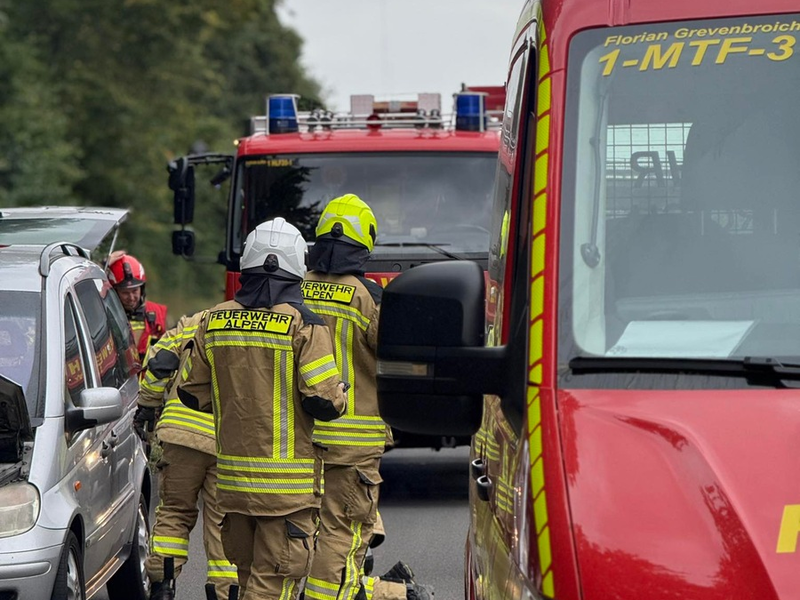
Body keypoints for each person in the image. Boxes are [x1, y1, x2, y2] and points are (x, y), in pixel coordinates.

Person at [173, 217, 348, 600]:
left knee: (250, 578)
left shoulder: (214, 320)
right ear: (296, 266)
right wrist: (342, 391)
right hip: (287, 492)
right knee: (273, 585)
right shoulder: (304, 324)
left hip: (234, 487)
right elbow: (325, 403)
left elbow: (191, 393)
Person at [301, 194, 432, 600]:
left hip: (297, 437)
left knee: (300, 528)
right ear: (366, 241)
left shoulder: (294, 291)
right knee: (344, 530)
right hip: (353, 443)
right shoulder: (369, 298)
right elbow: (398, 357)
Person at [135, 313, 237, 600]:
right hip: (228, 441)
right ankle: (225, 592)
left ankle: (162, 587)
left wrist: (148, 402)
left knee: (174, 511)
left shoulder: (194, 323)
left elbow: (160, 363)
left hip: (181, 435)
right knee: (224, 520)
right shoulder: (259, 326)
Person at [106, 251, 168, 363]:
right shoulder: (105, 315)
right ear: (114, 292)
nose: (131, 297)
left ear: (142, 289)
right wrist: (102, 267)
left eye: (135, 291)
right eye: (125, 292)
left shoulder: (159, 313)